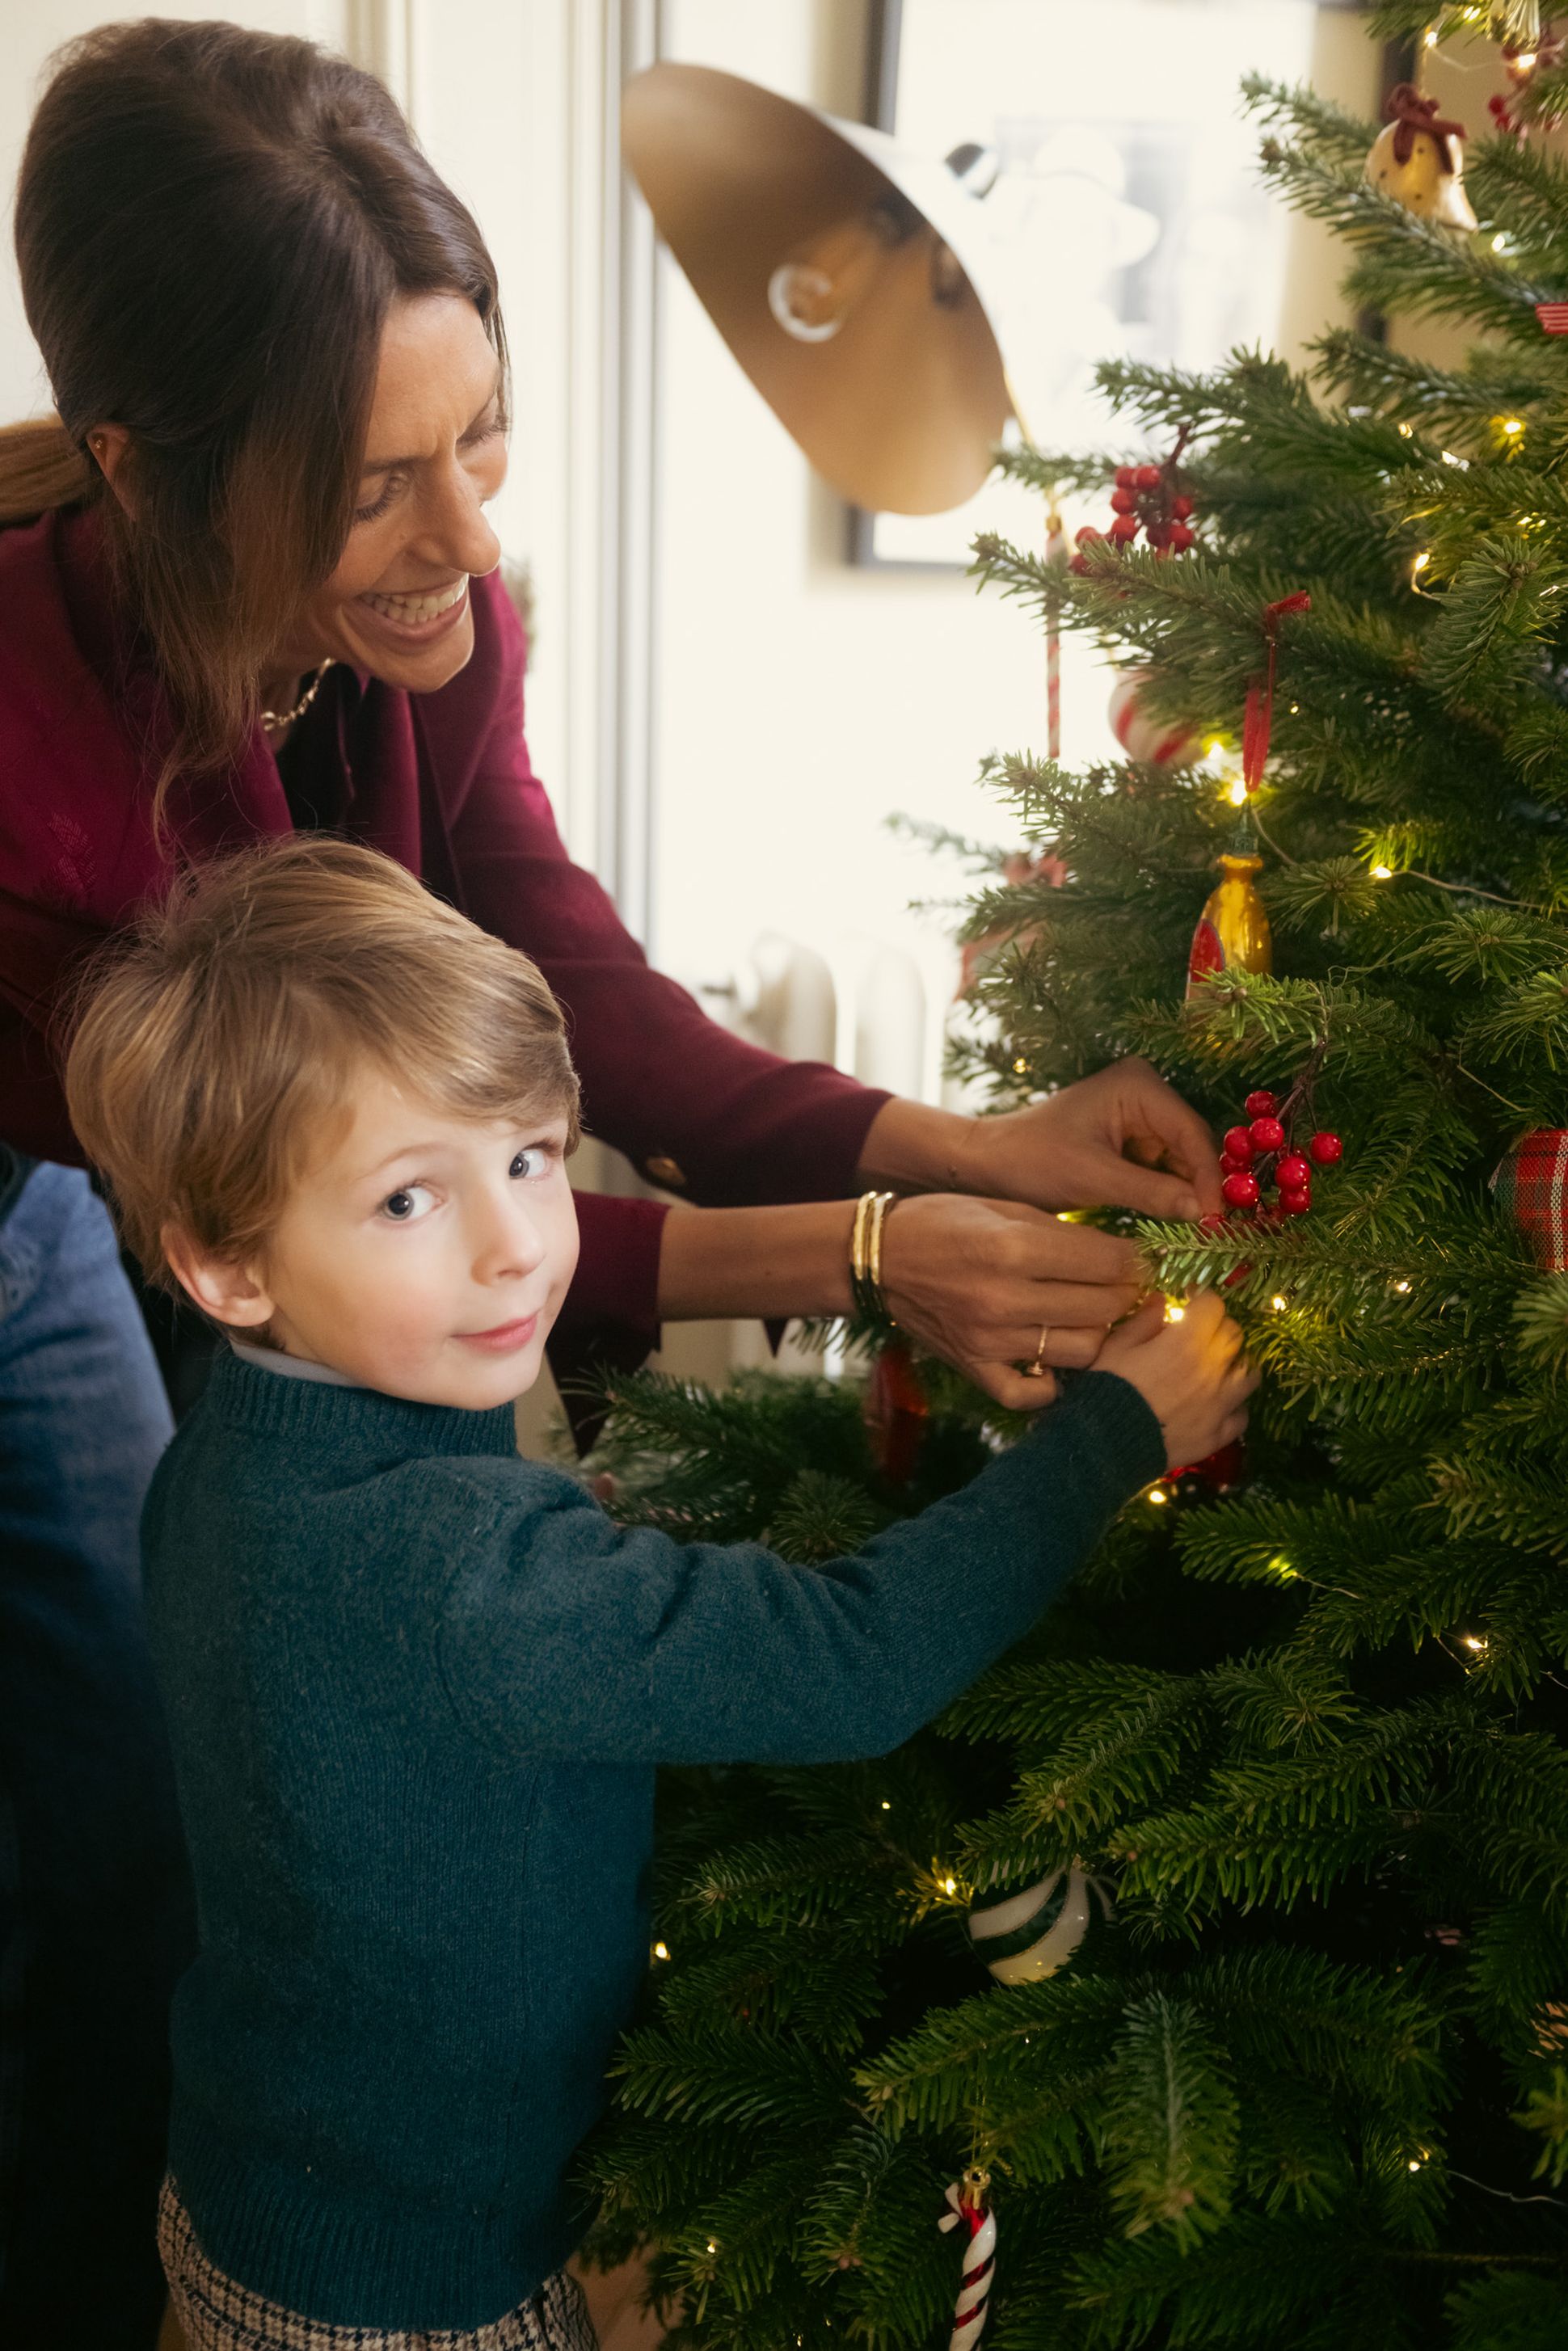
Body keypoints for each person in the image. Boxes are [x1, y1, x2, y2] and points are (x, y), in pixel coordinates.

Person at [0, 23, 1221, 2339]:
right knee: (75, 1832)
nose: (466, 535)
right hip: (73, 1181)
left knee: (162, 1827)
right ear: (165, 472)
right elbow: (391, 1219)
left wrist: (943, 1148)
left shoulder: (427, 610)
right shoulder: (34, 789)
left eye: (484, 436)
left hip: (200, 1199)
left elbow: (558, 1001)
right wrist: (888, 1266)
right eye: (372, 482)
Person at [61, 838, 1255, 2349]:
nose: (515, 1248)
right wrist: (1118, 1436)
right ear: (227, 1265)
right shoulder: (457, 1569)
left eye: (528, 1157)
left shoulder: (219, 1458)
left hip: (247, 2204)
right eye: (408, 1203)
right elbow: (848, 1663)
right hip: (423, 2296)